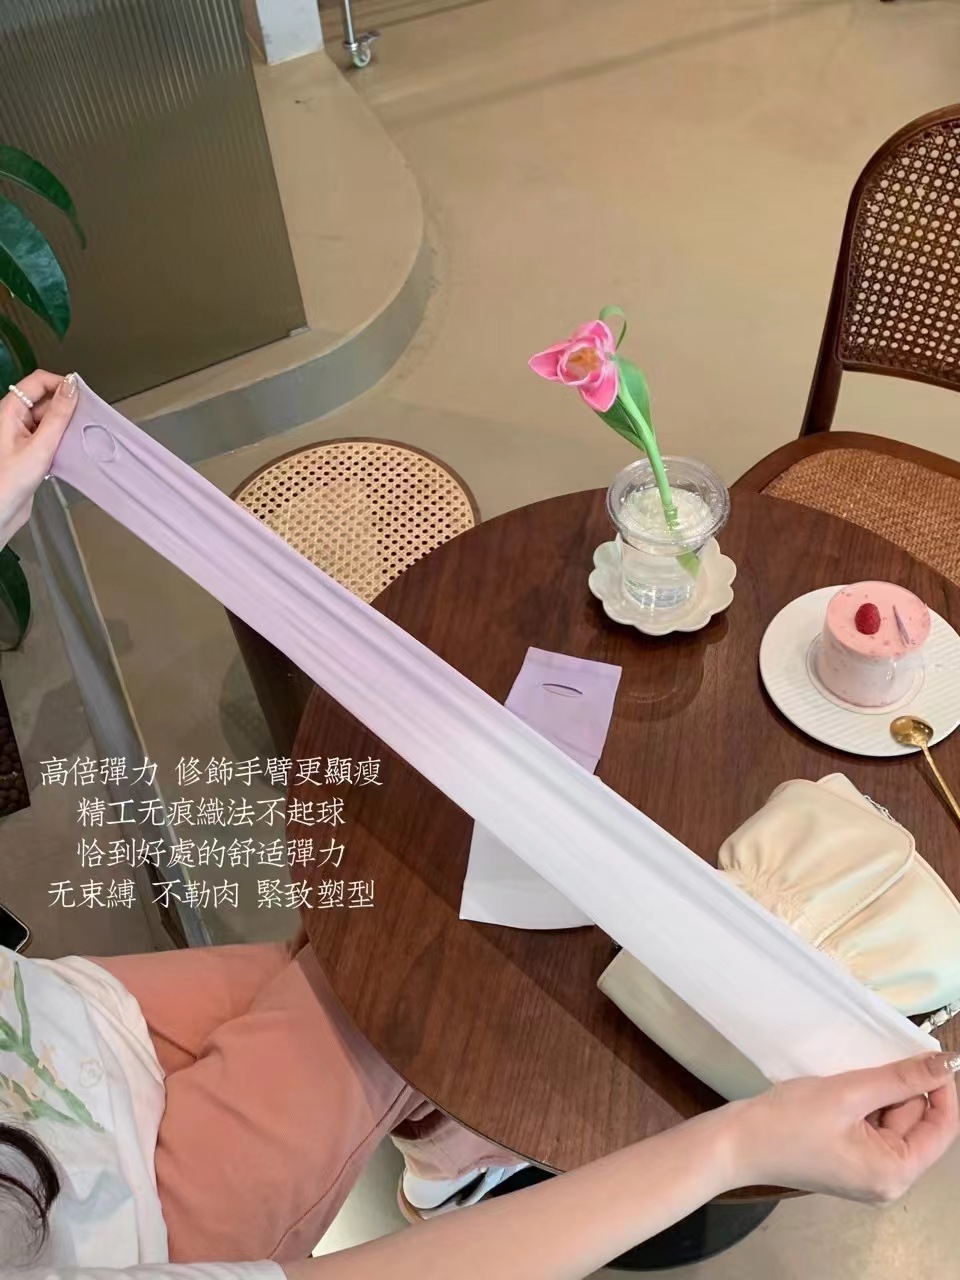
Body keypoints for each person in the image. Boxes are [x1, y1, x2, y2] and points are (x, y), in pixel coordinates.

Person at [2, 374, 959, 1280]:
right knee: (404, 977)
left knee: (366, 968)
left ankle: (445, 1145)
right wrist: (734, 1146)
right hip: (137, 1223)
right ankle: (448, 1153)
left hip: (45, 1022)